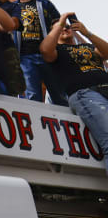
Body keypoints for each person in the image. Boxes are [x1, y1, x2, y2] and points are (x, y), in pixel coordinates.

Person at [40, 13, 108, 174]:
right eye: (59, 28)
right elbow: (45, 50)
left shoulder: (89, 47)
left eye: (67, 26)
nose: (65, 28)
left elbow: (106, 53)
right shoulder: (56, 51)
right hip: (86, 94)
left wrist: (87, 33)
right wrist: (61, 21)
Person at [13, 0, 64, 105]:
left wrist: (54, 43)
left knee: (59, 93)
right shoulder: (13, 7)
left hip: (47, 54)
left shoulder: (44, 3)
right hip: (24, 57)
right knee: (32, 96)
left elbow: (58, 23)